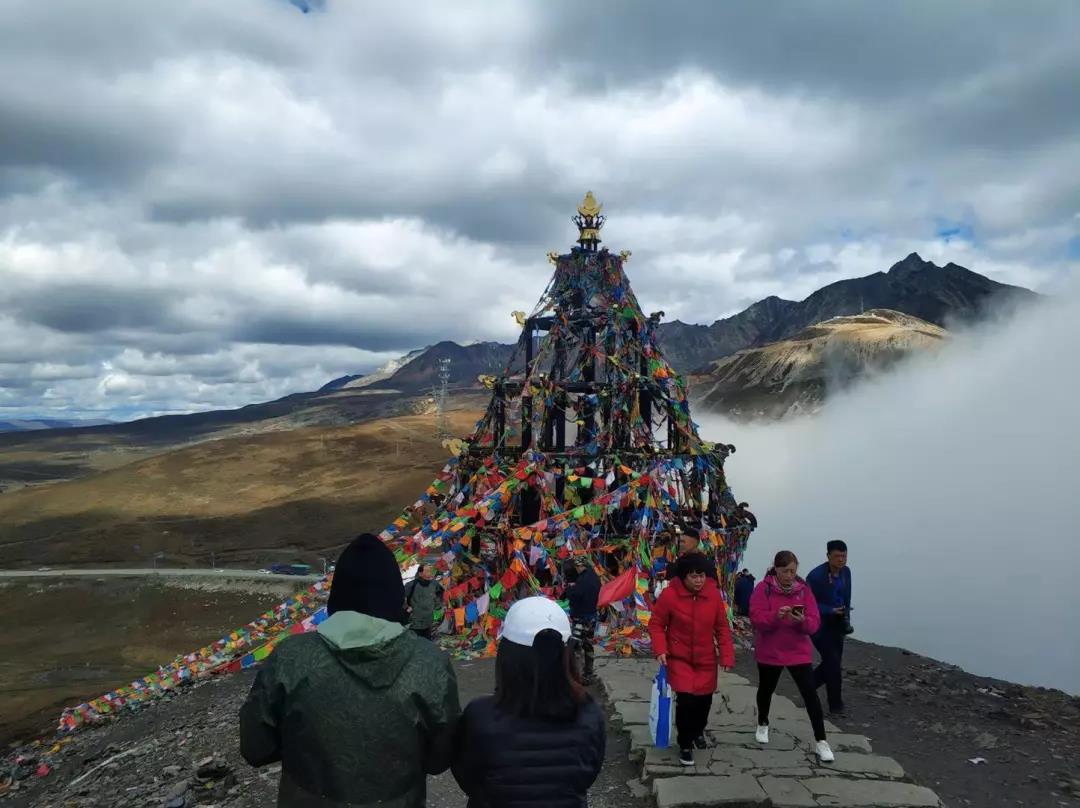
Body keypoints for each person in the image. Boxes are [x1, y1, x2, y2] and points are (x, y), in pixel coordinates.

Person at [240, 534, 461, 807]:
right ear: (394, 596)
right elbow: (440, 757)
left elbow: (255, 748)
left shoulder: (289, 657)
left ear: (337, 595)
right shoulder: (430, 662)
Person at [451, 596, 606, 808]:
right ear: (568, 654)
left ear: (506, 657)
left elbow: (467, 777)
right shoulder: (589, 714)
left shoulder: (479, 716)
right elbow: (588, 775)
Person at [648, 552, 736, 766]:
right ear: (684, 576)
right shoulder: (670, 595)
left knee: (703, 703)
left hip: (706, 659)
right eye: (693, 576)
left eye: (701, 575)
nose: (698, 580)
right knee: (686, 701)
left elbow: (722, 627)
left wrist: (726, 655)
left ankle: (698, 731)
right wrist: (660, 649)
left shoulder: (713, 596)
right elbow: (656, 624)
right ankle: (685, 744)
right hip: (679, 658)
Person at [749, 551, 834, 762]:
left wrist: (802, 621)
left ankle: (821, 741)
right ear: (776, 569)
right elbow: (756, 618)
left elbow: (814, 623)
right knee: (766, 689)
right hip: (770, 651)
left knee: (810, 694)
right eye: (785, 571)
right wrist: (775, 617)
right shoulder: (763, 588)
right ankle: (762, 723)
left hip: (798, 652)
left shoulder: (804, 590)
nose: (789, 575)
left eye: (793, 571)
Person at [806, 539, 853, 715]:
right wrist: (829, 610)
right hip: (820, 625)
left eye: (844, 556)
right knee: (832, 662)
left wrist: (846, 618)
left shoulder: (846, 572)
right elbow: (808, 603)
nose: (841, 560)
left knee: (833, 663)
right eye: (837, 556)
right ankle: (835, 705)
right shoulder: (815, 576)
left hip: (838, 623)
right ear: (828, 556)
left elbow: (847, 597)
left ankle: (808, 687)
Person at [567, 555, 601, 684]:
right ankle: (588, 673)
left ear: (581, 566)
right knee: (588, 645)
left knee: (576, 645)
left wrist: (570, 589)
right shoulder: (595, 578)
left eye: (577, 567)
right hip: (591, 616)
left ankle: (577, 675)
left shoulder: (582, 580)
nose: (576, 569)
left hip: (581, 617)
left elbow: (575, 595)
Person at [405, 562, 444, 641]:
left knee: (427, 642)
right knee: (415, 643)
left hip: (428, 621)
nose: (430, 573)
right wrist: (406, 608)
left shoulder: (434, 584)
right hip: (415, 622)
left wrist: (438, 606)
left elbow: (440, 595)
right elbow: (401, 598)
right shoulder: (411, 585)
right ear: (420, 573)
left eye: (430, 571)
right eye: (427, 571)